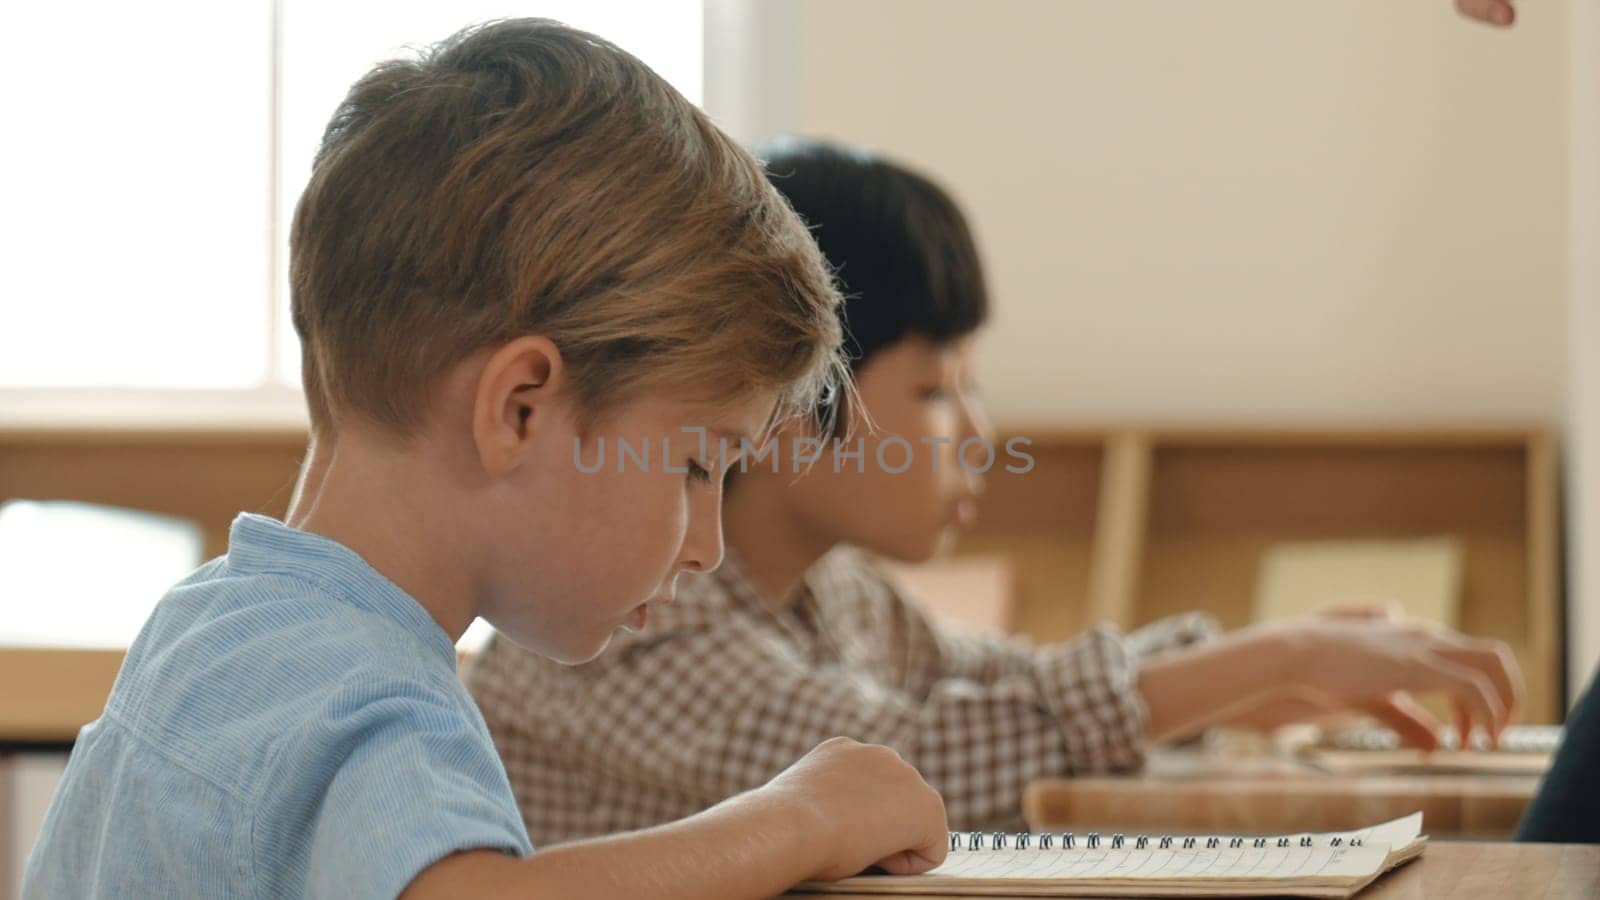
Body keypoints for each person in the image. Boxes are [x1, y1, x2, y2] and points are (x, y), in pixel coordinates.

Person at [22, 22, 949, 899]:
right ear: (519, 408)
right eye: (697, 465)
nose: (707, 544)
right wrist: (798, 818)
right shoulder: (367, 693)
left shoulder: (215, 630)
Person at [467, 138, 1524, 841]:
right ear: (788, 403)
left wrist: (1238, 678)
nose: (977, 431)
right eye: (936, 387)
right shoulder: (629, 615)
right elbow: (914, 766)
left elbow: (1008, 683)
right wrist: (1269, 658)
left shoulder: (837, 595)